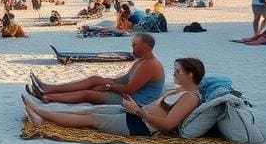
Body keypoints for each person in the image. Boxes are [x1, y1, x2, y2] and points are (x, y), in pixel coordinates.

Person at [24, 58, 205, 137]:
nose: (174, 73)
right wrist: (133, 105)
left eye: (178, 71)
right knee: (88, 110)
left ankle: (41, 113)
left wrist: (139, 112)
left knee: (91, 118)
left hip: (140, 125)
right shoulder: (179, 89)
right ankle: (43, 116)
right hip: (135, 114)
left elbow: (168, 124)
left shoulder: (190, 97)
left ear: (190, 75)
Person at [27, 33, 165, 106]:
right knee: (94, 79)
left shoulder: (150, 65)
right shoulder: (142, 60)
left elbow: (129, 90)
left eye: (134, 45)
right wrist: (106, 82)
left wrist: (109, 86)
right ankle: (47, 87)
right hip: (128, 94)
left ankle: (46, 97)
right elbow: (124, 80)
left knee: (89, 94)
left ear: (146, 47)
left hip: (135, 102)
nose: (131, 47)